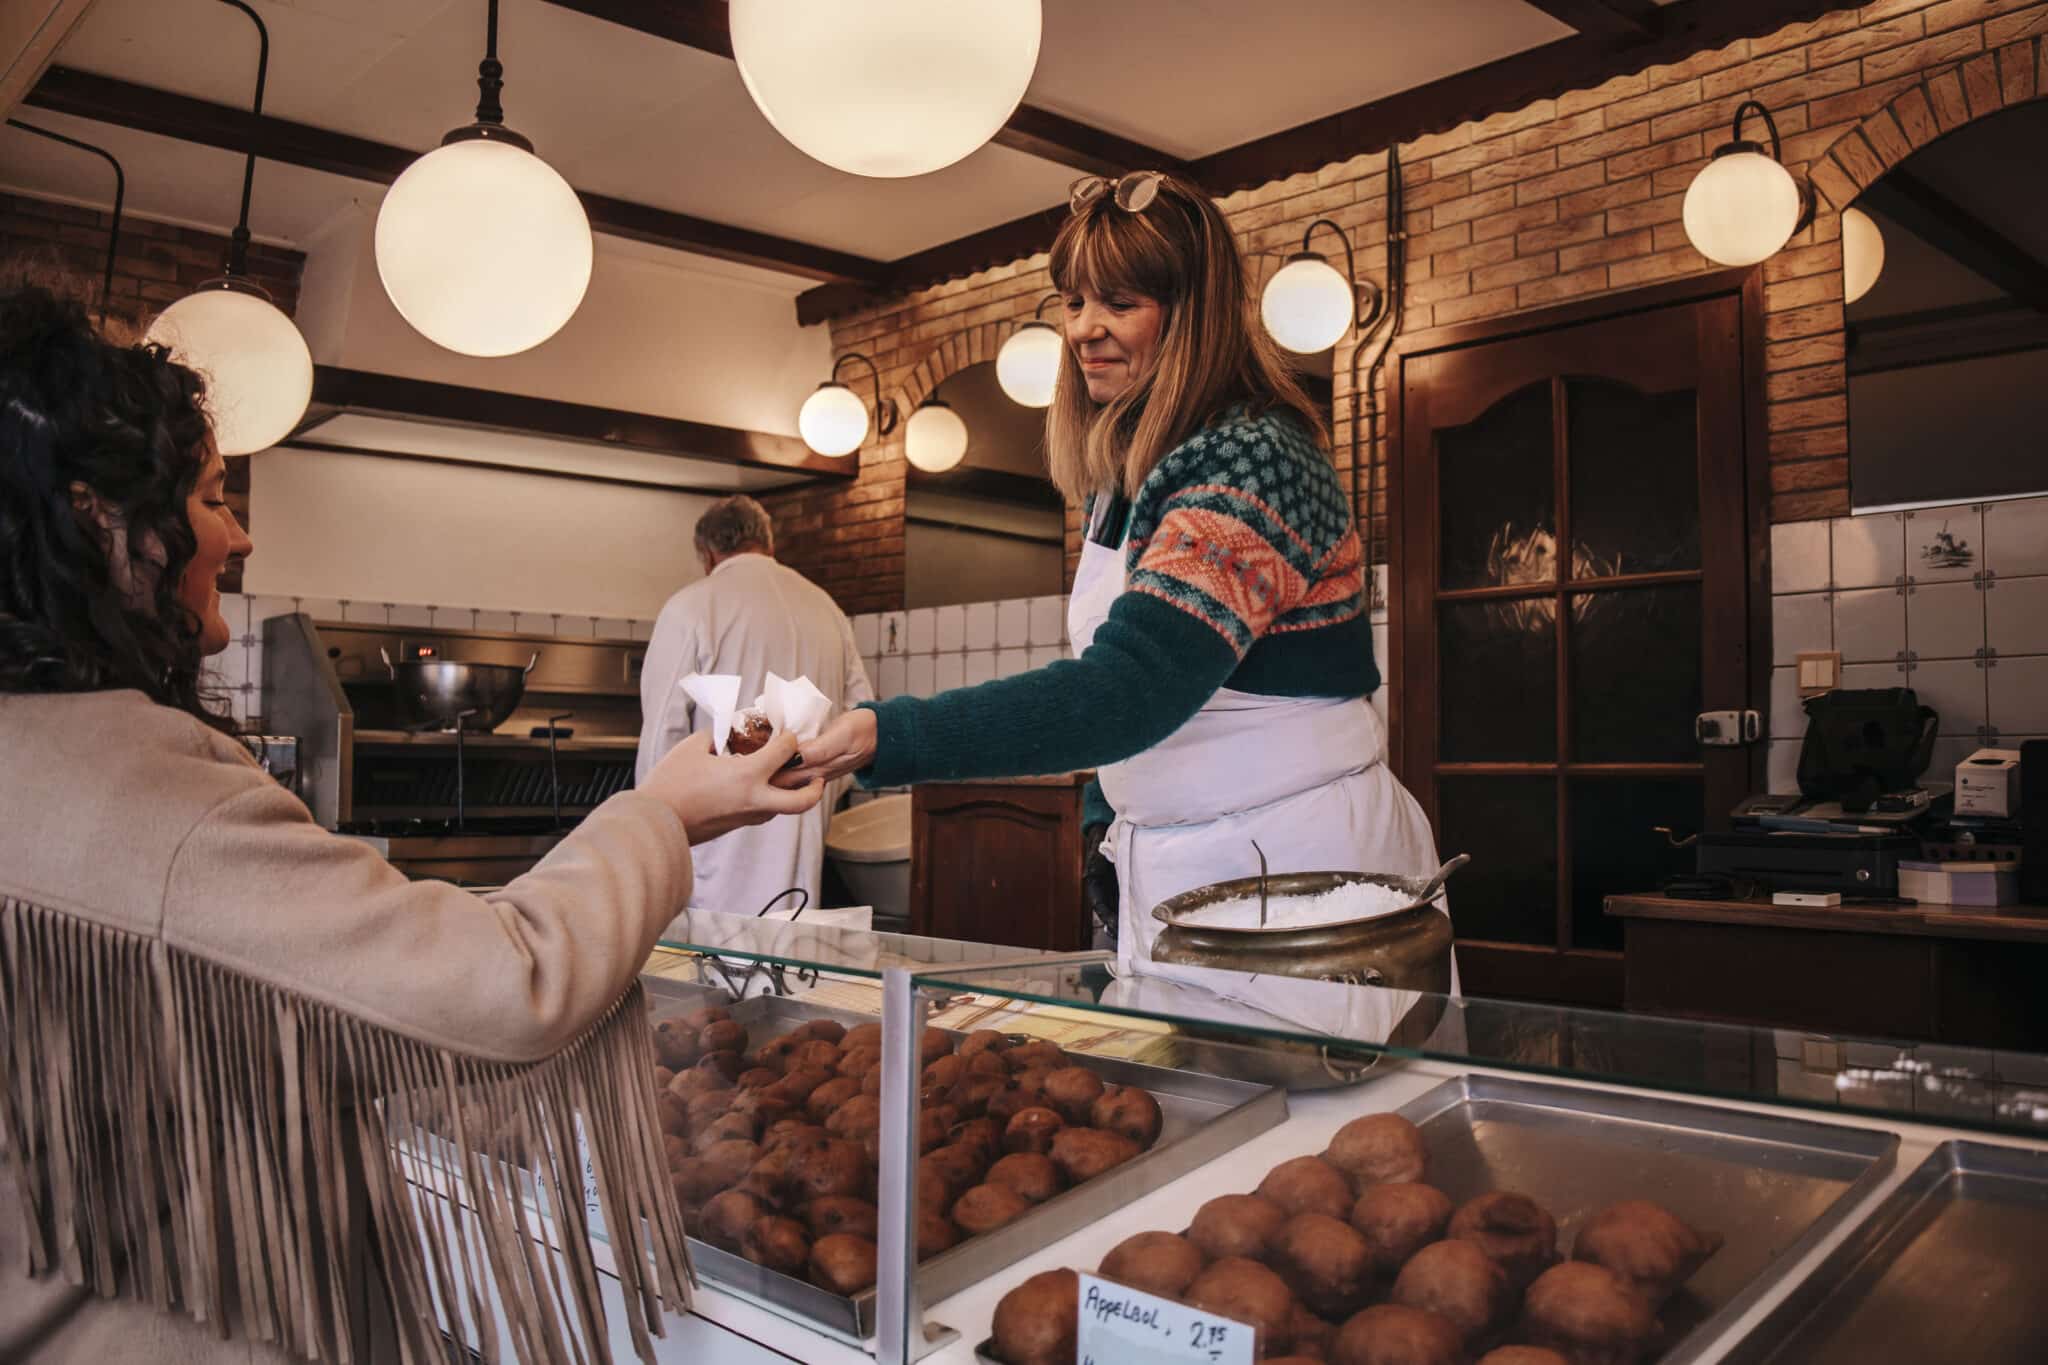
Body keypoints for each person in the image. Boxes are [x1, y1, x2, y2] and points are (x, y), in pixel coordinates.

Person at [0, 283, 823, 1363]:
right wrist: (662, 813)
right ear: (99, 519)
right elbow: (502, 986)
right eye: (208, 497)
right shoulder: (134, 790)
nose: (238, 535)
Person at [791, 171, 1452, 1020]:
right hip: (1194, 870)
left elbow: (1126, 691)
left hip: (1298, 879)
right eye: (1072, 302)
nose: (1083, 331)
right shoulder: (1128, 477)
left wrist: (891, 733)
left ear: (1193, 313)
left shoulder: (1253, 457)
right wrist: (1107, 829)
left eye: (1119, 302)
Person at [637, 494, 872, 921]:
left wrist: (649, 829)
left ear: (708, 555)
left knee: (712, 966)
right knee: (788, 960)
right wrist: (812, 787)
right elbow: (861, 717)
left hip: (712, 830)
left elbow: (661, 736)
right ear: (769, 544)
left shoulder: (691, 607)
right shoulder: (827, 609)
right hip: (802, 819)